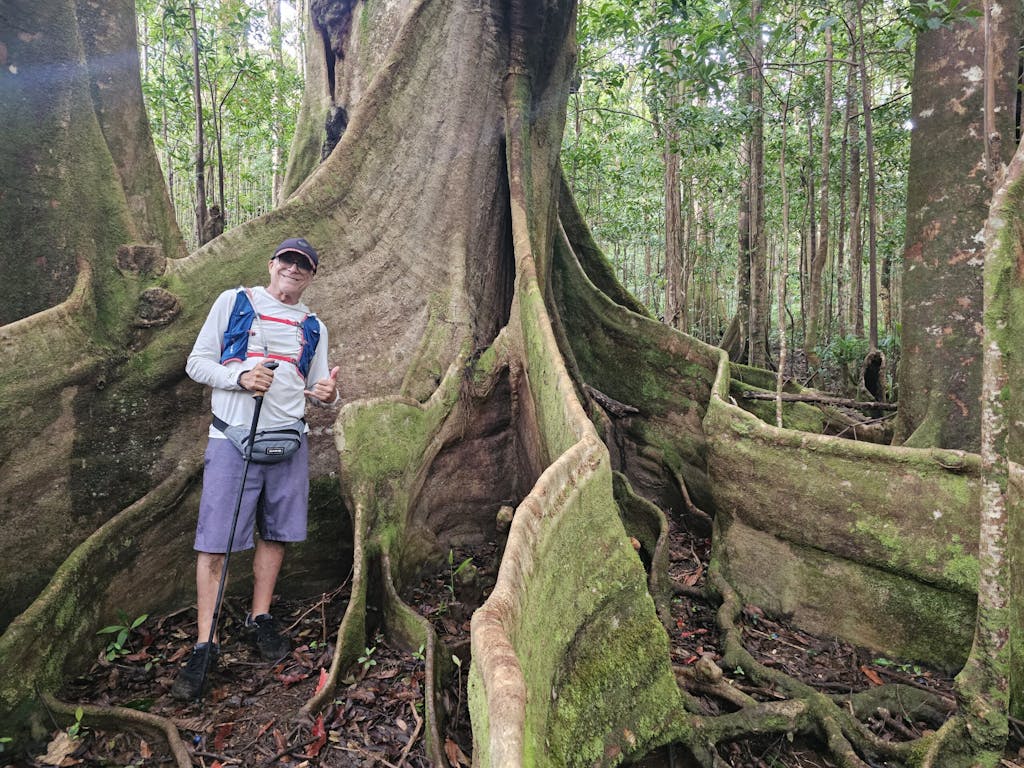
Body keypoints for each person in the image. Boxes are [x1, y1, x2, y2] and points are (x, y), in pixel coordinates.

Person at [172, 237, 339, 700]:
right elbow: (196, 363)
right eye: (287, 261)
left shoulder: (313, 326)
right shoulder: (235, 302)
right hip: (232, 439)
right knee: (216, 539)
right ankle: (205, 642)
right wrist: (240, 377)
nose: (293, 269)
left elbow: (319, 384)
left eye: (303, 265)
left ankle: (258, 616)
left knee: (277, 531)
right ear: (271, 265)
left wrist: (329, 397)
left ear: (311, 276)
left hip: (290, 439)